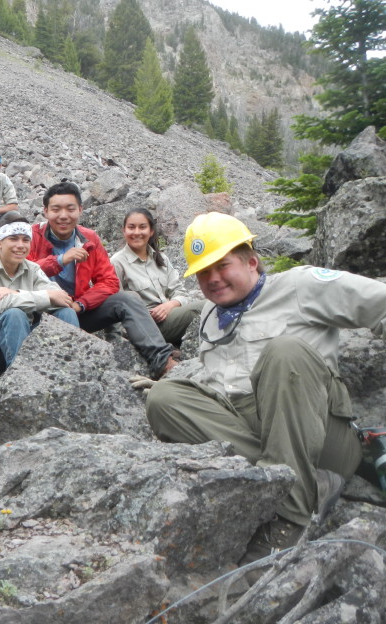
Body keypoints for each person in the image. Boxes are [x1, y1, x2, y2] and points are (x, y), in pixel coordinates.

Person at [145, 212, 367, 569]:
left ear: (251, 261)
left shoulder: (302, 285)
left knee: (285, 351)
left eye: (223, 265)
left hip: (323, 435)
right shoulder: (209, 316)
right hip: (259, 433)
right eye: (203, 272)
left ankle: (291, 517)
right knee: (164, 398)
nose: (213, 278)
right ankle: (298, 483)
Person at [26, 181, 175, 379]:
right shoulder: (29, 236)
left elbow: (109, 281)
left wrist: (81, 304)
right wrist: (61, 260)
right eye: (56, 209)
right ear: (45, 211)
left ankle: (162, 361)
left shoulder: (89, 238)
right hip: (37, 312)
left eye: (70, 209)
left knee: (126, 299)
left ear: (80, 210)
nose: (63, 215)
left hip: (76, 311)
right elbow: (22, 274)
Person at [0, 212, 79, 371]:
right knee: (14, 314)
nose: (20, 245)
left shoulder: (33, 269)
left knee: (66, 312)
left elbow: (61, 298)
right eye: (13, 239)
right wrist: (45, 297)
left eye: (26, 240)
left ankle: (68, 373)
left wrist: (14, 293)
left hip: (22, 336)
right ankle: (21, 380)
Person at [111, 207, 204, 347]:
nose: (137, 232)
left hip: (170, 316)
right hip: (145, 326)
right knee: (204, 307)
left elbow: (180, 292)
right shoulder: (117, 262)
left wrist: (170, 305)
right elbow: (115, 305)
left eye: (142, 227)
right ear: (124, 231)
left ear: (151, 231)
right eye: (131, 227)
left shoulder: (161, 259)